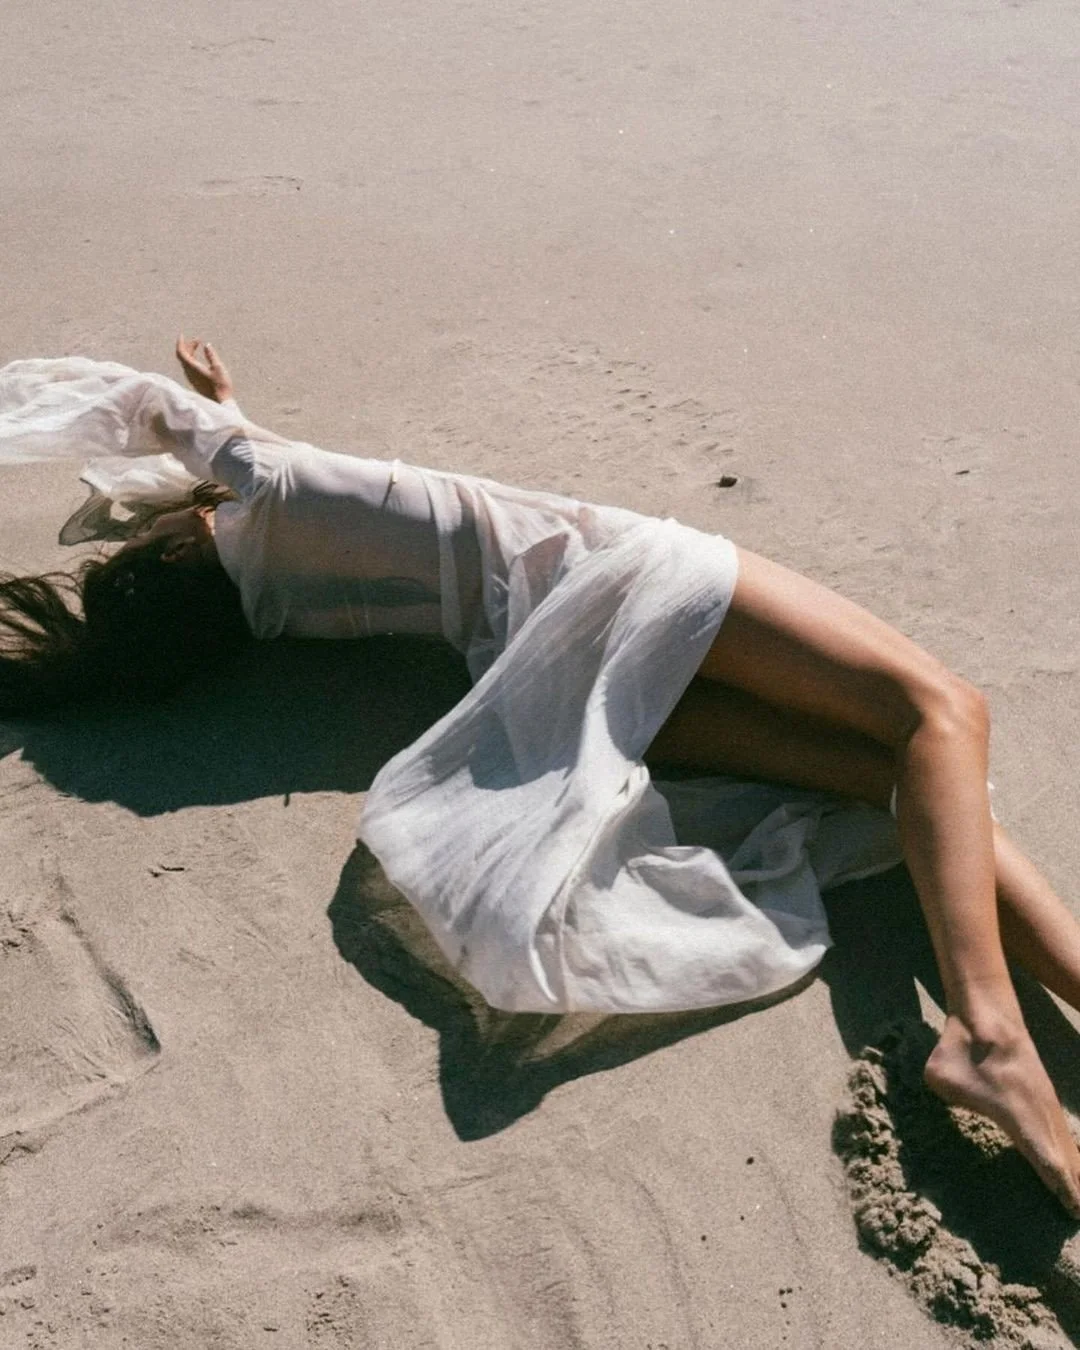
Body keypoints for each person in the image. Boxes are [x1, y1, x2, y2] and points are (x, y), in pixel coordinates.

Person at [2, 337, 1080, 1218]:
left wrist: (228, 419)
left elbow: (249, 469)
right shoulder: (275, 490)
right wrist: (207, 423)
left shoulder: (278, 594)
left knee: (890, 780)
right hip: (633, 589)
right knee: (943, 711)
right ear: (189, 537)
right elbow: (154, 417)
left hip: (571, 682)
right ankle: (991, 1032)